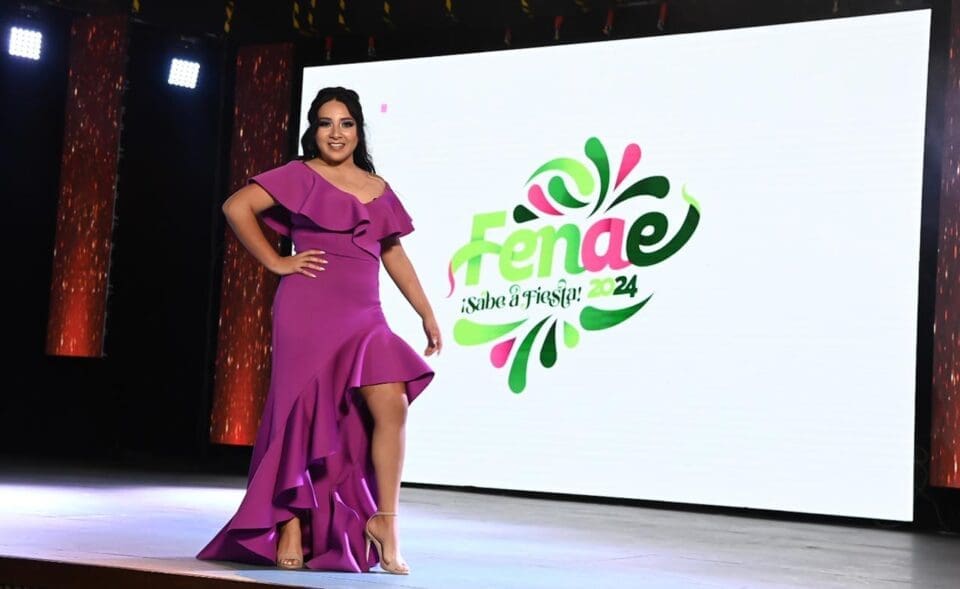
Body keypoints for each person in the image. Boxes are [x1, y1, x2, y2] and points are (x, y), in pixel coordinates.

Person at [197, 87, 440, 575]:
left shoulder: (377, 187)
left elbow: (393, 253)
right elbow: (235, 207)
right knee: (298, 412)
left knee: (391, 404)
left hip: (364, 315)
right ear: (314, 130)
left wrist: (425, 312)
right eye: (326, 123)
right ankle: (289, 522)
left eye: (345, 123)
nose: (336, 133)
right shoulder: (299, 174)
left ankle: (386, 522)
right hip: (306, 309)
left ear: (358, 131)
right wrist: (276, 261)